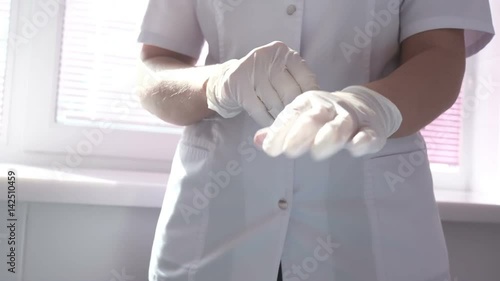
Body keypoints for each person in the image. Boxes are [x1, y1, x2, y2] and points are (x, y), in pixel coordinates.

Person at [136, 0, 494, 280]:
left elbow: (440, 56)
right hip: (215, 224)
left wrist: (367, 106)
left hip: (368, 234)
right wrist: (216, 84)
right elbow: (153, 71)